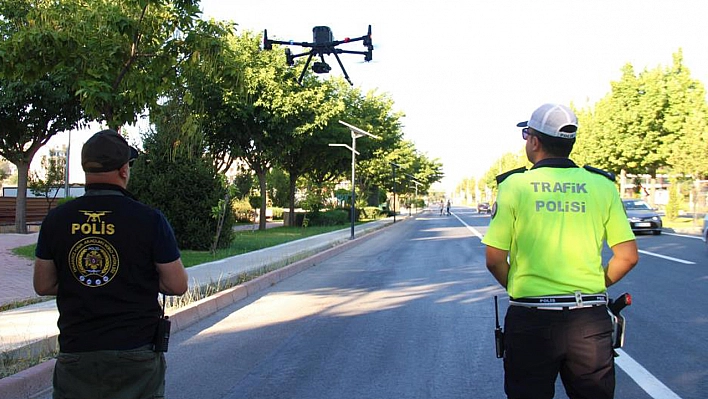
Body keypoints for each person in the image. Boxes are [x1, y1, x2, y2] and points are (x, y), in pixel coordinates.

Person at [482, 104, 639, 399]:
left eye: (526, 134)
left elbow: (494, 259)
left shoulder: (515, 185)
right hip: (589, 321)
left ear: (535, 141)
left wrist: (521, 287)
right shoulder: (602, 186)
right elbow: (628, 256)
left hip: (531, 321)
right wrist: (592, 285)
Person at [33, 129, 189, 399]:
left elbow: (43, 284)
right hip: (135, 356)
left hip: (76, 353)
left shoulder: (56, 220)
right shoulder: (149, 220)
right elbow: (177, 285)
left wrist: (82, 280)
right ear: (123, 170)